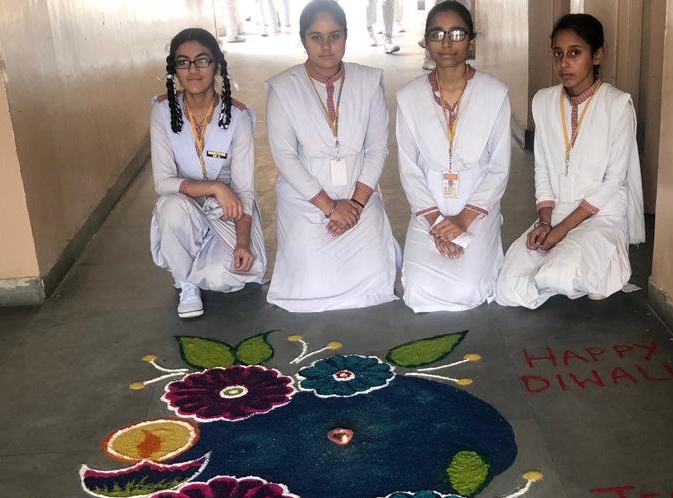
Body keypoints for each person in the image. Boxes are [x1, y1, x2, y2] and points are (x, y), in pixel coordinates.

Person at [496, 13, 644, 308]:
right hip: (558, 210)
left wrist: (560, 232)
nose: (564, 63)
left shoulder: (617, 105)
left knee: (556, 274)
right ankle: (581, 263)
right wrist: (544, 223)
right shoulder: (543, 101)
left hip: (602, 212)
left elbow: (614, 181)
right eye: (558, 53)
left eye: (575, 53)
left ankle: (609, 263)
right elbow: (542, 168)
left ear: (597, 55)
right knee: (507, 287)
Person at [265, 0, 400, 312]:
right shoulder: (284, 88)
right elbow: (285, 157)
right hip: (306, 197)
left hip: (358, 194)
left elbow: (377, 149)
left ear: (346, 37)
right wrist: (329, 207)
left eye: (334, 36)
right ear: (303, 40)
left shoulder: (368, 81)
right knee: (311, 285)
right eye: (316, 37)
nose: (326, 46)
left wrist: (355, 206)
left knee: (373, 280)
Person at [395, 0, 510, 312]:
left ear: (471, 41)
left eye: (457, 34)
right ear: (426, 41)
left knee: (468, 288)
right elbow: (409, 170)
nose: (446, 43)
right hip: (428, 210)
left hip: (476, 210)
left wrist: (461, 220)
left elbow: (499, 168)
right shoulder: (409, 97)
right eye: (437, 34)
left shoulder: (494, 94)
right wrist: (437, 224)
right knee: (418, 289)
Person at [150, 28, 267, 318]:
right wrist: (215, 187)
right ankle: (186, 283)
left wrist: (243, 242)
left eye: (202, 60)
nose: (193, 70)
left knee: (227, 276)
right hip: (186, 207)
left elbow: (244, 188)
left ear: (217, 65)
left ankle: (195, 259)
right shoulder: (162, 111)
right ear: (174, 69)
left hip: (228, 212)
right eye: (183, 62)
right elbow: (163, 182)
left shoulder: (238, 116)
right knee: (170, 207)